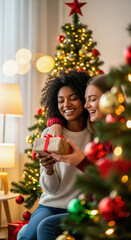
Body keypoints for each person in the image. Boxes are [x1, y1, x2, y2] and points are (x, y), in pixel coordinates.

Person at [18, 69, 92, 240]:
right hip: (50, 204)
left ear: (83, 98)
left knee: (45, 229)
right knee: (28, 237)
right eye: (61, 100)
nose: (66, 104)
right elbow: (50, 189)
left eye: (73, 98)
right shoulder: (49, 134)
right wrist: (48, 169)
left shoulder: (94, 135)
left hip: (79, 208)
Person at [48, 74, 112, 172]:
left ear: (111, 98)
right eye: (86, 100)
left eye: (93, 99)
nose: (86, 105)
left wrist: (81, 161)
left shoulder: (121, 134)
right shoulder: (100, 131)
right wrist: (55, 122)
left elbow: (112, 179)